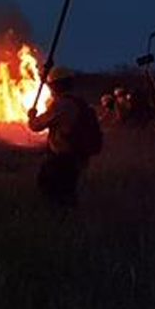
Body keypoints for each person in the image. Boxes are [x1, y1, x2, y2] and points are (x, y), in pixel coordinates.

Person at [27, 66, 101, 208]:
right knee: (68, 190)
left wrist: (31, 116)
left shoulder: (61, 105)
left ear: (55, 85)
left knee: (51, 189)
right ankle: (69, 221)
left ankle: (60, 220)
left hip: (63, 157)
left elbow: (36, 126)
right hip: (78, 155)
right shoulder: (79, 102)